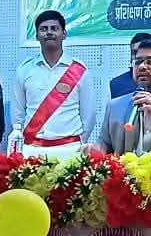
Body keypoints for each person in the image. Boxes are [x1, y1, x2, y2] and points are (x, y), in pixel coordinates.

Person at [13, 10, 96, 157]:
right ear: (37, 36)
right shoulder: (24, 69)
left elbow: (88, 116)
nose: (49, 33)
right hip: (32, 149)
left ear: (64, 34)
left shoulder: (79, 70)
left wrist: (78, 144)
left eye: (54, 28)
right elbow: (17, 113)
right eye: (43, 29)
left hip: (70, 149)